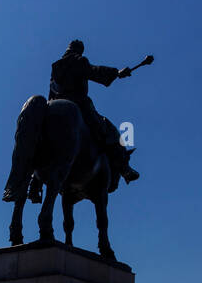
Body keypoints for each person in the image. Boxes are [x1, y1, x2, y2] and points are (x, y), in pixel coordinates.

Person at [49, 40, 139, 185]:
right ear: (79, 50)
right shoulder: (79, 60)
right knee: (109, 130)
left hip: (52, 104)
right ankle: (124, 169)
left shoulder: (56, 66)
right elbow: (94, 71)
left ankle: (34, 181)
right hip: (78, 104)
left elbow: (52, 90)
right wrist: (116, 72)